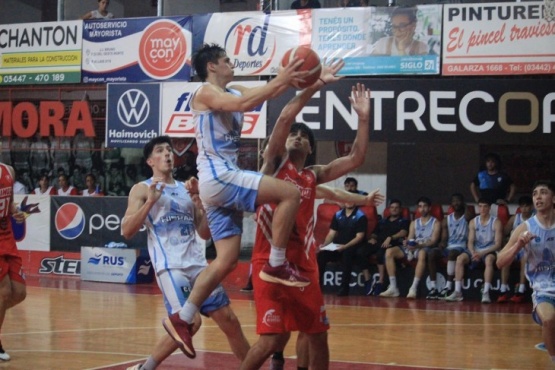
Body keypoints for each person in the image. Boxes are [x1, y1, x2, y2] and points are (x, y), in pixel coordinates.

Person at [162, 43, 310, 358]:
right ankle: (277, 263)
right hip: (219, 176)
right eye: (227, 60)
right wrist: (282, 77)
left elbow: (260, 93)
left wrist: (306, 80)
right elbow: (249, 101)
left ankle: (184, 317)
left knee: (227, 259)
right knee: (290, 194)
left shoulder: (229, 89)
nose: (232, 63)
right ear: (212, 66)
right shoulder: (204, 92)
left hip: (214, 184)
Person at [241, 69, 375, 369]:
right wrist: (314, 86)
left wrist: (363, 120)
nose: (298, 137)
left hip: (303, 267)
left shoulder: (313, 175)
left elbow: (355, 158)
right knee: (272, 339)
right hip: (269, 263)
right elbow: (286, 116)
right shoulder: (275, 163)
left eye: (304, 136)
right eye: (294, 134)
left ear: (311, 148)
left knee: (317, 334)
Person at [122, 136, 250, 369]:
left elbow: (203, 233)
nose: (168, 154)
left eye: (169, 150)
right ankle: (146, 367)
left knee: (230, 321)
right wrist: (150, 202)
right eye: (160, 151)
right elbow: (127, 230)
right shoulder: (142, 189)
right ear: (150, 161)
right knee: (190, 322)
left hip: (199, 266)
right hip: (171, 267)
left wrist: (203, 205)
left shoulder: (185, 189)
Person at [497, 180, 555, 364]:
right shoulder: (525, 228)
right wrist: (518, 246)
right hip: (544, 290)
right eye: (535, 193)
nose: (538, 196)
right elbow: (499, 262)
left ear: (553, 198)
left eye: (543, 192)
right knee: (548, 319)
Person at [380, 197, 440, 298]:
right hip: (414, 247)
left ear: (429, 208)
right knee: (389, 252)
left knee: (422, 253)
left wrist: (419, 245)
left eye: (425, 206)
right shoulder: (414, 222)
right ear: (418, 209)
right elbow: (411, 237)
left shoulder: (436, 222)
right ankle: (393, 287)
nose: (422, 209)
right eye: (420, 207)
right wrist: (407, 242)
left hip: (424, 246)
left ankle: (413, 288)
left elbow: (433, 241)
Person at [445, 199, 503, 303]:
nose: (482, 209)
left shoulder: (496, 222)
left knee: (489, 260)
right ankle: (457, 292)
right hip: (476, 250)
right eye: (480, 206)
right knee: (460, 259)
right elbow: (470, 241)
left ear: (489, 208)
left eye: (485, 206)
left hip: (489, 250)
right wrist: (473, 252)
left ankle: (485, 292)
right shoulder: (473, 222)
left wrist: (482, 253)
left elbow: (498, 244)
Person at [0, 162, 27, 361]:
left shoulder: (8, 170)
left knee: (19, 292)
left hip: (7, 237)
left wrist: (15, 210)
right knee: (4, 291)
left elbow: (9, 204)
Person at [317, 193, 369, 296]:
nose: (348, 202)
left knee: (347, 255)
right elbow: (331, 234)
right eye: (346, 200)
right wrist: (324, 246)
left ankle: (344, 289)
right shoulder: (338, 215)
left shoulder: (360, 216)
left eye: (351, 200)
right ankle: (317, 286)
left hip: (352, 246)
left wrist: (345, 246)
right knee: (322, 255)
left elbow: (359, 237)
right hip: (338, 245)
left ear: (355, 201)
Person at [364, 199, 409, 296]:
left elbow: (404, 232)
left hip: (393, 244)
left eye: (397, 208)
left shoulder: (404, 220)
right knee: (361, 252)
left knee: (381, 253)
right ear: (389, 209)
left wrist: (391, 237)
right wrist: (372, 238)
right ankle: (368, 279)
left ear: (400, 209)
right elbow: (375, 233)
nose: (394, 209)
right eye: (392, 207)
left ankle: (381, 282)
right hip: (378, 242)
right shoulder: (382, 221)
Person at [497, 195, 534, 303]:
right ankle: (503, 289)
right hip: (515, 247)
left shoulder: (535, 219)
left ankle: (521, 289)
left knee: (524, 259)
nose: (525, 209)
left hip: (527, 249)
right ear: (519, 208)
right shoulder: (514, 218)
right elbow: (504, 233)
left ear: (531, 207)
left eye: (527, 206)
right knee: (506, 258)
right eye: (522, 206)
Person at [435, 193, 471, 299]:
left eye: (458, 201)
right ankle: (433, 287)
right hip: (449, 246)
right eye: (454, 201)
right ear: (451, 204)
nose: (456, 203)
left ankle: (448, 285)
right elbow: (444, 238)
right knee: (432, 253)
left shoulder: (467, 217)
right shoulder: (447, 219)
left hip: (462, 246)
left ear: (463, 202)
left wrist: (465, 206)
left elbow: (470, 217)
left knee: (452, 254)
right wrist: (441, 244)